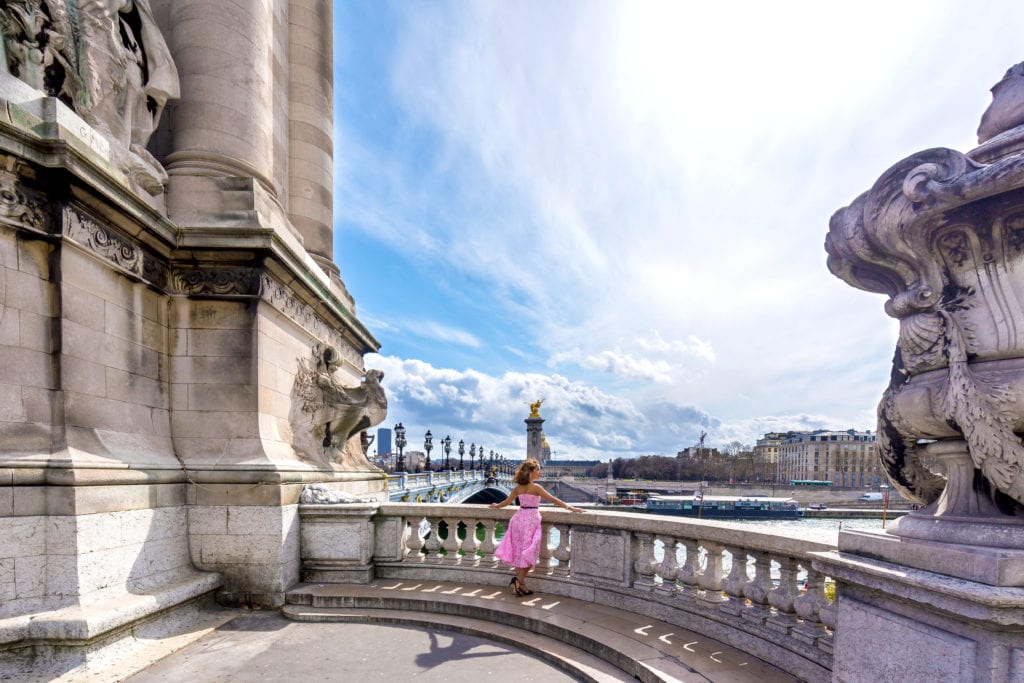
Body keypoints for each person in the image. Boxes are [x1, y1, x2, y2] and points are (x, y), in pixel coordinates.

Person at [490, 458, 584, 596]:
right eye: (538, 469)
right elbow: (553, 500)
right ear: (530, 472)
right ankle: (518, 580)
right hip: (530, 521)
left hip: (518, 520)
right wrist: (570, 508)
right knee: (530, 552)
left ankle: (521, 585)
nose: (540, 472)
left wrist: (496, 506)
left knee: (519, 552)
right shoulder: (536, 488)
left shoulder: (518, 488)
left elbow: (507, 502)